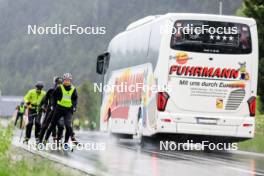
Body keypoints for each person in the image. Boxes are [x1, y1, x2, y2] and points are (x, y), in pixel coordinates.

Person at [44, 73, 78, 148]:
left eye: (68, 80)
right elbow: (53, 96)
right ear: (63, 81)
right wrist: (52, 104)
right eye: (65, 80)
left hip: (68, 110)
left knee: (68, 126)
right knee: (52, 125)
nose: (67, 82)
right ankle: (45, 140)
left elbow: (75, 99)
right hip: (59, 109)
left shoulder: (73, 89)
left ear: (70, 81)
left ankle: (65, 143)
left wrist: (74, 107)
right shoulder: (60, 88)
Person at [38, 76, 64, 143]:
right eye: (58, 83)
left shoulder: (64, 91)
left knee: (61, 126)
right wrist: (44, 106)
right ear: (55, 83)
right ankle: (40, 140)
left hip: (59, 111)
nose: (59, 84)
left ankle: (58, 139)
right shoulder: (50, 90)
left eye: (61, 83)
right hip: (50, 111)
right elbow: (45, 100)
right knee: (45, 126)